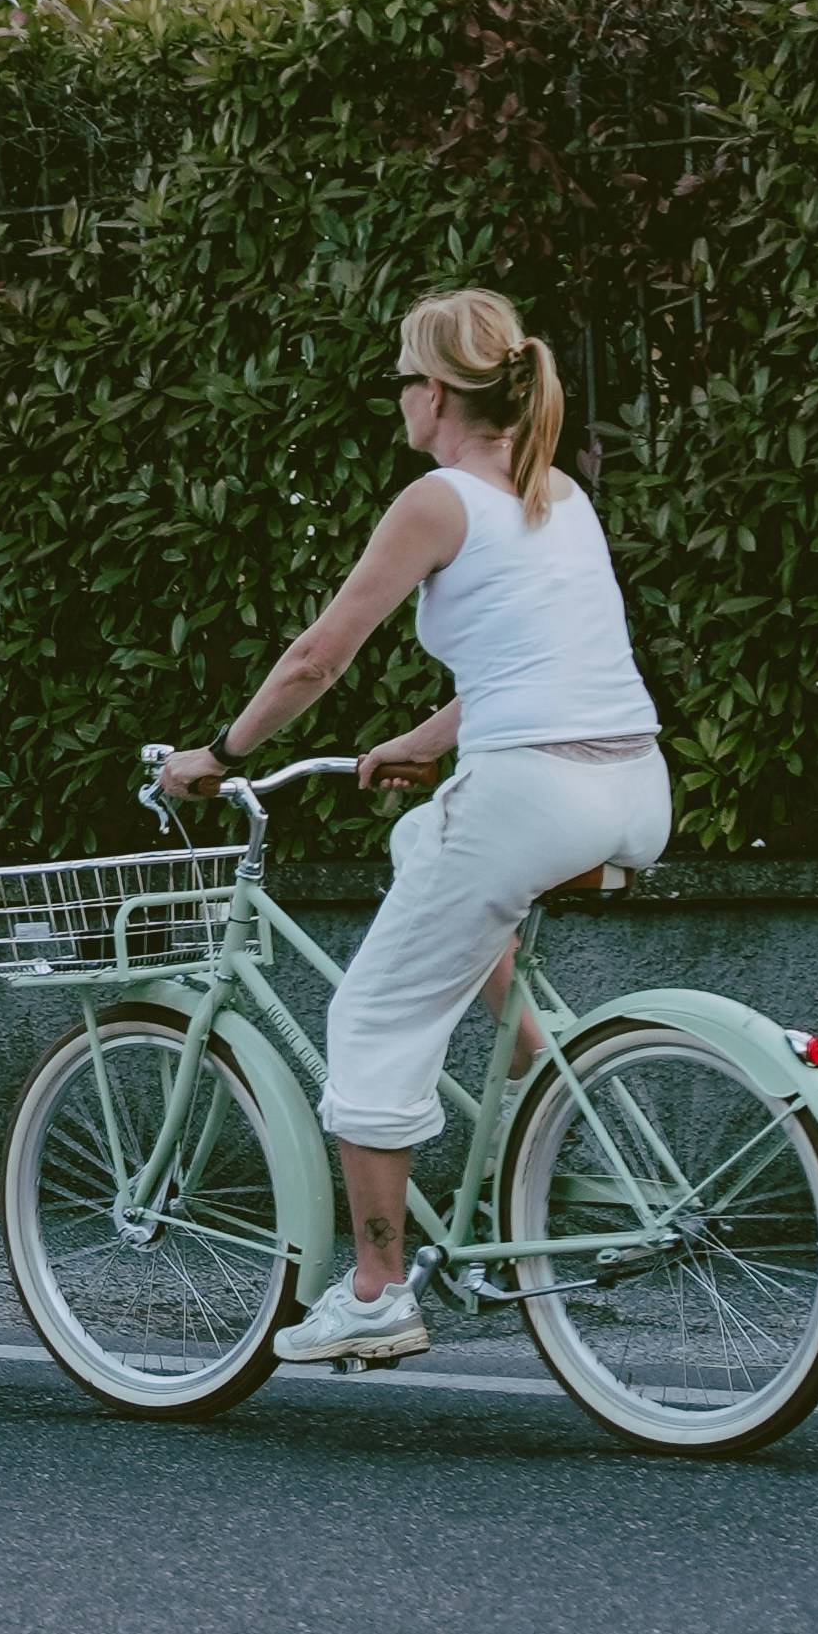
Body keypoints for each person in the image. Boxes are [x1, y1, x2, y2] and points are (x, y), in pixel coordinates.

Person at [154, 284, 670, 1368]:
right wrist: (431, 740)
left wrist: (223, 754)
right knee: (418, 841)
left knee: (371, 1024)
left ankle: (380, 1289)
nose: (399, 399)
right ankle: (539, 1076)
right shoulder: (556, 494)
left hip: (531, 793)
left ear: (432, 393)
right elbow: (542, 666)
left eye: (402, 379)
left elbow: (317, 657)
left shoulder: (437, 499)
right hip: (632, 786)